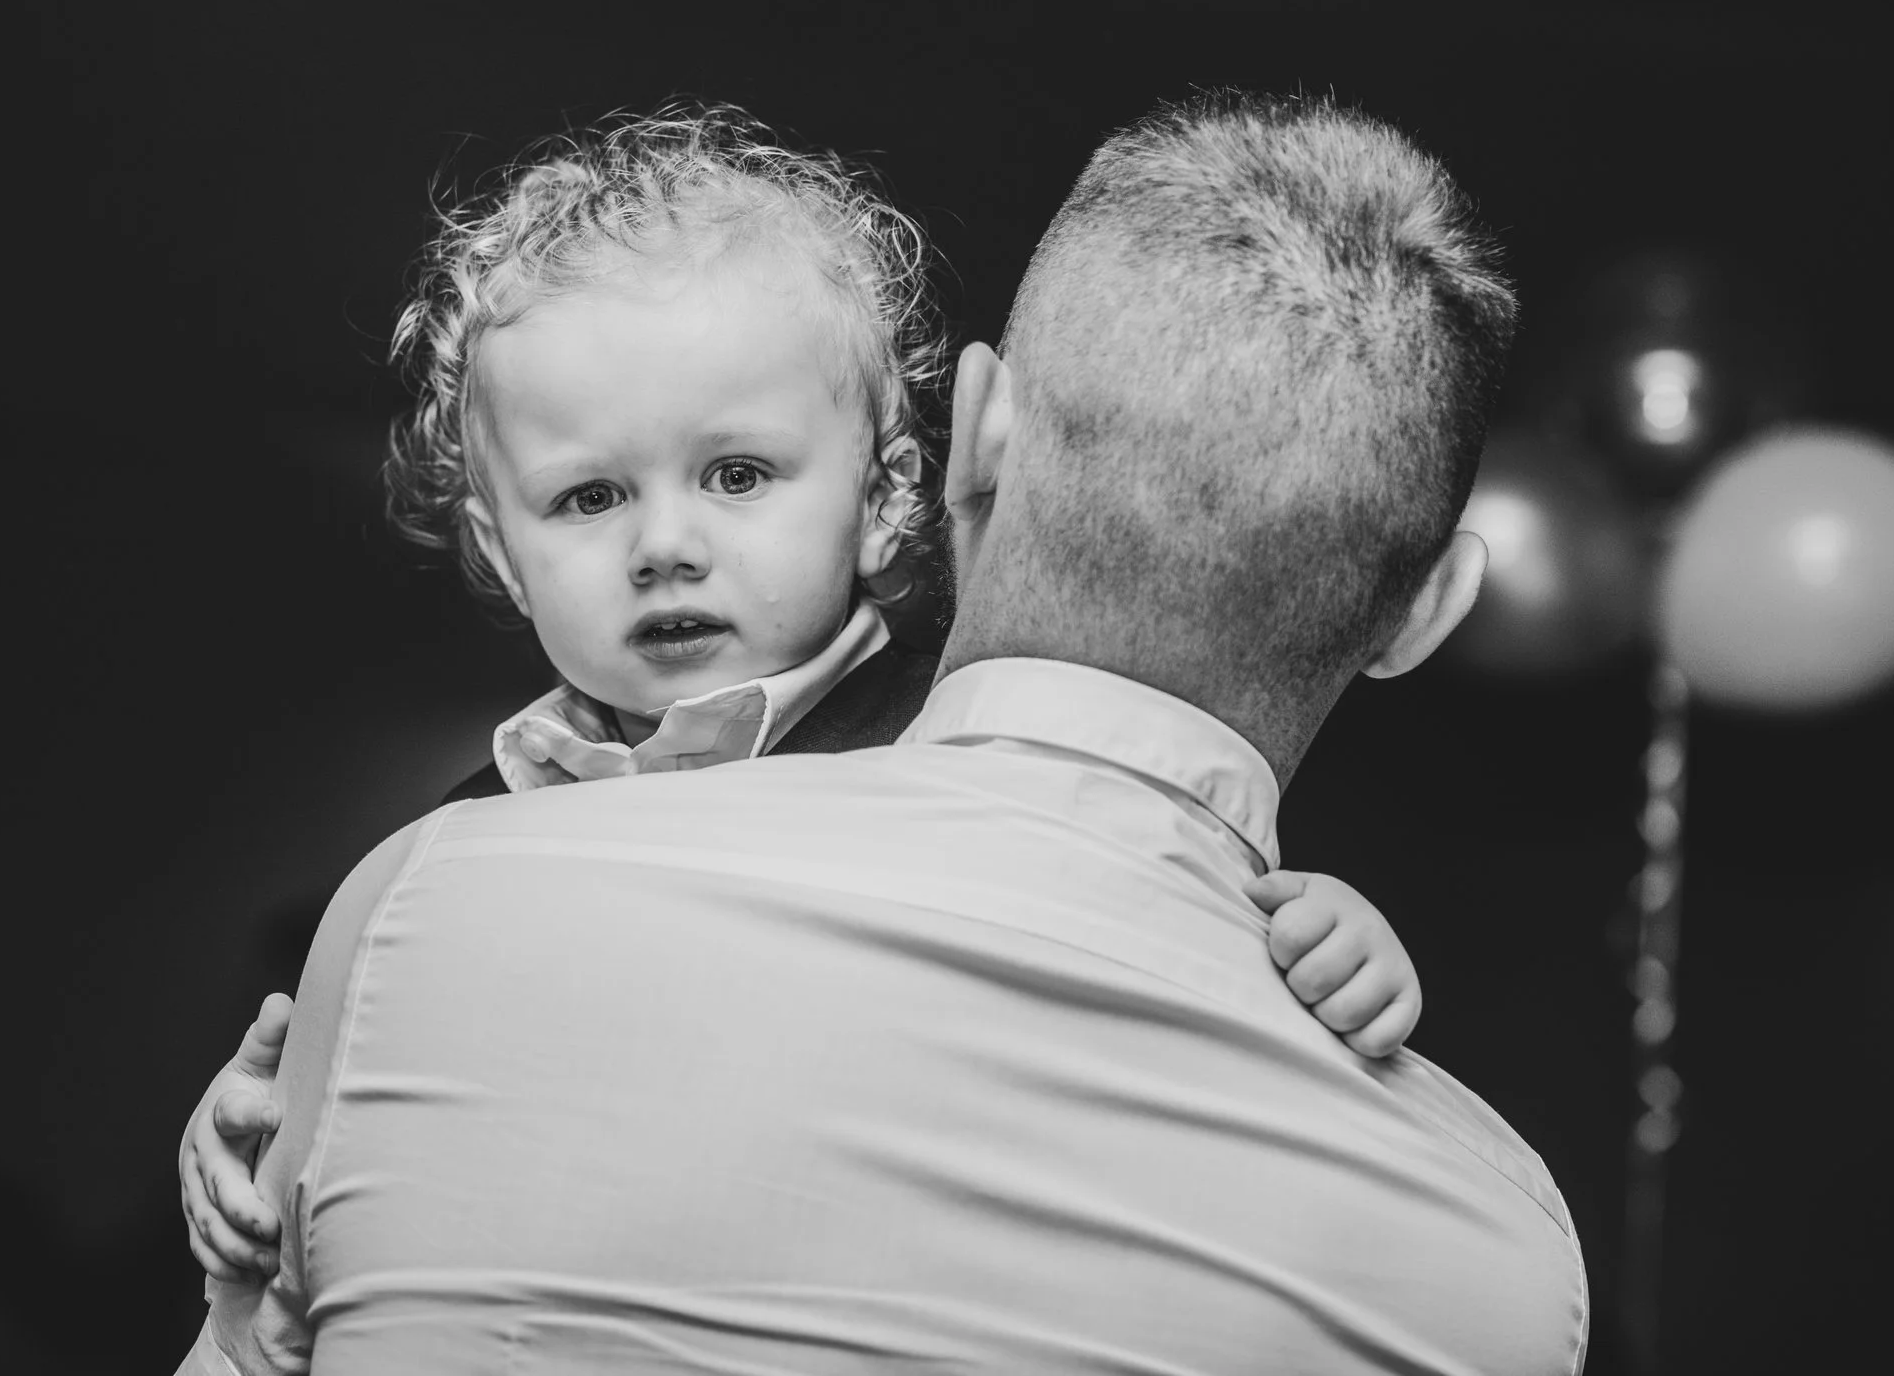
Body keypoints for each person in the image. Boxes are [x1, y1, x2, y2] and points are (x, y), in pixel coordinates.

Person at [182, 93, 1582, 1373]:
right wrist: (262, 1152)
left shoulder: (944, 754)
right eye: (588, 499)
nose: (667, 546)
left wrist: (1339, 937)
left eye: (737, 476)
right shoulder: (454, 850)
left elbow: (1171, 913)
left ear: (913, 476)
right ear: (496, 543)